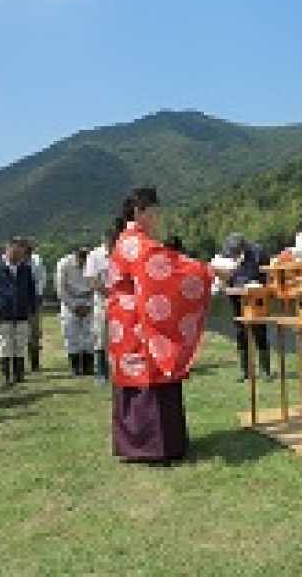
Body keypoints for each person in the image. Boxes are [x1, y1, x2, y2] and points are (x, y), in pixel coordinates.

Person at [107, 187, 214, 462]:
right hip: (137, 322)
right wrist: (205, 271)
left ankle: (143, 445)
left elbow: (164, 263)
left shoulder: (130, 240)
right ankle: (151, 447)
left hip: (127, 319)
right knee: (148, 375)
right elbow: (166, 270)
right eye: (153, 213)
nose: (156, 219)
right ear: (139, 212)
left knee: (142, 378)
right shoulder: (135, 243)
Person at [222, 232, 273, 382]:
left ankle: (265, 370)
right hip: (236, 295)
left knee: (259, 330)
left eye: (236, 251)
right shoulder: (228, 257)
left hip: (255, 296)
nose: (234, 255)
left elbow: (266, 273)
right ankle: (245, 371)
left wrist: (259, 286)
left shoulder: (258, 252)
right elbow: (225, 274)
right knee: (240, 331)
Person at [0, 237, 36, 386]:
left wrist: (31, 311)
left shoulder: (25, 268)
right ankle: (6, 375)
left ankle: (19, 374)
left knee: (20, 343)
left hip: (21, 311)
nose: (18, 256)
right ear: (8, 249)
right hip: (2, 312)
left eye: (21, 253)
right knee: (4, 344)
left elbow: (31, 291)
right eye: (16, 252)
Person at [57, 247, 95, 376]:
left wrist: (89, 305)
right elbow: (61, 289)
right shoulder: (63, 264)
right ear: (75, 256)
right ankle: (75, 367)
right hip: (70, 301)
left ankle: (88, 366)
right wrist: (73, 306)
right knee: (71, 334)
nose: (83, 265)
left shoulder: (92, 262)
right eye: (81, 261)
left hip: (88, 300)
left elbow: (96, 286)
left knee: (89, 335)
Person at [84, 231, 112, 383]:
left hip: (121, 301)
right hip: (102, 301)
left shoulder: (121, 252)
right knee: (101, 336)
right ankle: (101, 372)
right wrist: (108, 292)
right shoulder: (95, 256)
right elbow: (92, 279)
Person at [25, 239, 47, 372]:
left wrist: (37, 297)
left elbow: (41, 279)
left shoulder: (36, 261)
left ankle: (35, 363)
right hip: (19, 300)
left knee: (34, 333)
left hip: (33, 300)